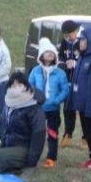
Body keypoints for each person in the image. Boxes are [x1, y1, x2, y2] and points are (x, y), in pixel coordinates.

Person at [0, 72, 46, 174]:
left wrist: (31, 162)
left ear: (26, 86)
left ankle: (21, 164)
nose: (16, 88)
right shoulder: (8, 104)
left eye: (20, 85)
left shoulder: (33, 107)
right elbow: (5, 130)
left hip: (25, 147)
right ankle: (14, 166)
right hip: (11, 146)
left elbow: (38, 134)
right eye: (13, 85)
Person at [28, 38, 70, 168]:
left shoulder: (60, 73)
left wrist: (56, 100)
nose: (50, 54)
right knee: (36, 132)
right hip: (38, 108)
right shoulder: (35, 71)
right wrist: (34, 99)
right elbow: (30, 86)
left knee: (52, 133)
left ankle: (51, 157)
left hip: (53, 109)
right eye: (47, 52)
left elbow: (65, 90)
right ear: (41, 55)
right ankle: (33, 155)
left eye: (52, 53)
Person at [70, 26, 91, 170]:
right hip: (82, 105)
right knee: (86, 131)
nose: (80, 43)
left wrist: (90, 107)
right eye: (80, 40)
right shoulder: (82, 58)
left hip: (90, 105)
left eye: (83, 40)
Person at [58, 19, 84, 145]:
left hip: (82, 82)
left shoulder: (83, 41)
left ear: (76, 31)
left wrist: (76, 64)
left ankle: (86, 137)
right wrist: (64, 64)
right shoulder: (64, 42)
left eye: (70, 34)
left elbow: (89, 61)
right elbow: (60, 58)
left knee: (84, 110)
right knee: (68, 108)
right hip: (68, 81)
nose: (68, 37)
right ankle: (68, 134)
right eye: (65, 35)